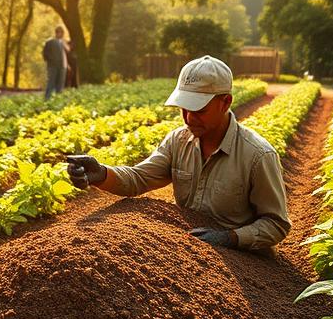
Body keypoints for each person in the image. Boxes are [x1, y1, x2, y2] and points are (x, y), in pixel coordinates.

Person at [66, 55, 291, 251]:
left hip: (245, 263)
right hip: (192, 251)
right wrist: (102, 174)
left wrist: (231, 238)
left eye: (199, 110)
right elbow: (139, 178)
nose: (189, 118)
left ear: (225, 103)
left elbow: (276, 223)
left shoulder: (258, 156)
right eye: (184, 109)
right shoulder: (178, 141)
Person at [42, 26, 68, 99]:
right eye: (61, 33)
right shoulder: (50, 42)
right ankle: (47, 99)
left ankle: (58, 99)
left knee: (60, 84)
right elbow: (45, 54)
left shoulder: (63, 43)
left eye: (63, 33)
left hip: (62, 66)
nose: (62, 35)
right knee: (51, 83)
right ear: (57, 33)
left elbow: (66, 54)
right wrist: (51, 61)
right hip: (53, 66)